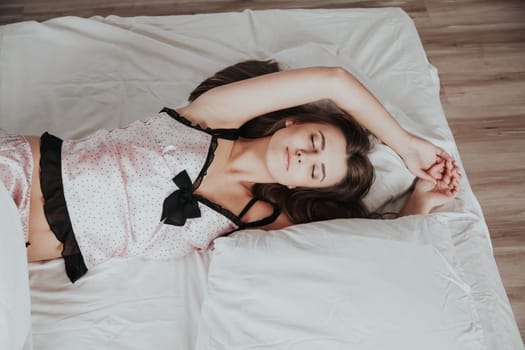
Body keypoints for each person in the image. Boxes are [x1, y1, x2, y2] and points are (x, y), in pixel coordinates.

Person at [0, 60, 460, 283]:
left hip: (19, 250)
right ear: (292, 122)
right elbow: (332, 81)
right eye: (313, 142)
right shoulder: (210, 120)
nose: (304, 158)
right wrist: (405, 145)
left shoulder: (259, 217)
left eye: (316, 170)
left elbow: (359, 253)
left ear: (302, 187)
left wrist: (416, 206)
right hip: (17, 173)